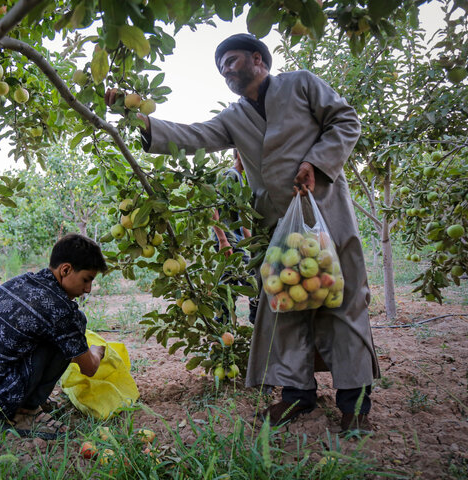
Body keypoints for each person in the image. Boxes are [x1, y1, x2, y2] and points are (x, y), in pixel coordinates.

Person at [106, 33, 379, 433]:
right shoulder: (234, 117)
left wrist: (316, 163)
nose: (225, 70)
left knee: (344, 304)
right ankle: (295, 397)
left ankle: (355, 405)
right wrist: (140, 120)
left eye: (231, 60)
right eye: (220, 66)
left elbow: (346, 120)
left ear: (258, 59)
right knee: (284, 309)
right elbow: (195, 135)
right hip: (276, 228)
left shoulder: (300, 84)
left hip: (326, 215)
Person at [0, 234, 107, 440]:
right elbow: (90, 368)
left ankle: (25, 401)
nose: (88, 289)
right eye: (87, 279)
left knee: (65, 330)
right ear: (65, 270)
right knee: (75, 324)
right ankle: (26, 413)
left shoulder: (21, 281)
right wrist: (97, 351)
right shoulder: (60, 310)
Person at [212, 151, 259, 324]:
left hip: (234, 240)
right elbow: (212, 207)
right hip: (228, 240)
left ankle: (221, 324)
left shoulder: (240, 178)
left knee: (229, 282)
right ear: (240, 154)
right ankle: (256, 318)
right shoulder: (230, 175)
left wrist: (253, 243)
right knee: (252, 280)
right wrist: (223, 240)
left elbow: (240, 218)